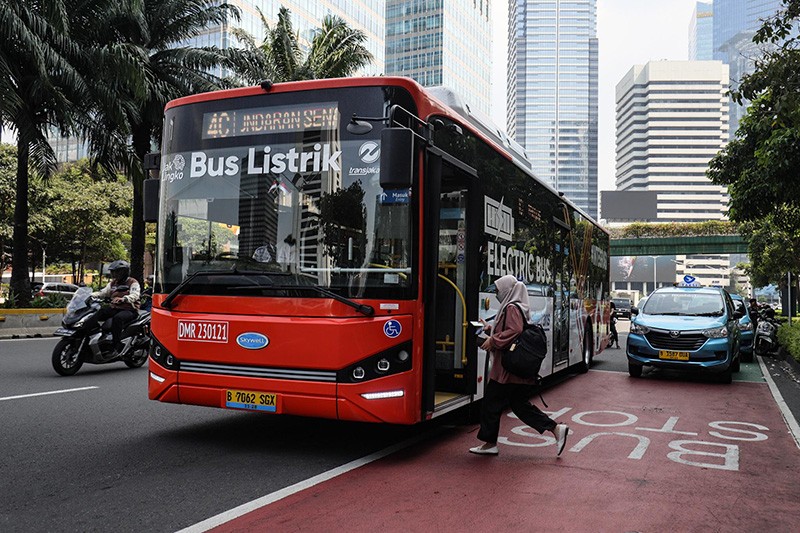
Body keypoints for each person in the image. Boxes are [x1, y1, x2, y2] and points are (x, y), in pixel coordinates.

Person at [470, 274, 570, 456]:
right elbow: (513, 329)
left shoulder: (511, 307)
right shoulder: (516, 306)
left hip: (506, 370)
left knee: (490, 403)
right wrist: (490, 329)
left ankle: (490, 443)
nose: (498, 293)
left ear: (508, 291)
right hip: (512, 370)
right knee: (520, 406)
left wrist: (493, 340)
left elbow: (514, 330)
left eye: (500, 290)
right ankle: (556, 429)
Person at [87, 260, 140, 356]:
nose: (114, 274)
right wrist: (90, 295)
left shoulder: (133, 282)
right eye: (113, 272)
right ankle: (92, 337)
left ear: (124, 272)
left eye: (117, 272)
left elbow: (135, 295)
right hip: (115, 308)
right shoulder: (113, 283)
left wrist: (124, 299)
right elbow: (103, 292)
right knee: (98, 313)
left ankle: (116, 345)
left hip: (129, 309)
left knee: (118, 319)